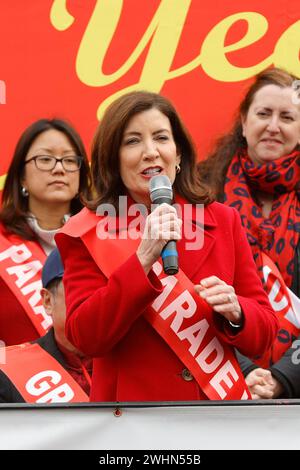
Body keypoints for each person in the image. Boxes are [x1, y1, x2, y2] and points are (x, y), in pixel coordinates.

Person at [56, 90, 278, 402]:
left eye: (161, 138)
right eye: (133, 141)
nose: (151, 152)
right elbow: (85, 338)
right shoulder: (88, 231)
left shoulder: (222, 220)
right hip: (131, 421)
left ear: (179, 154)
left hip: (211, 413)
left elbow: (266, 333)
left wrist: (238, 311)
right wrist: (142, 260)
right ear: (113, 158)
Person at [198, 67, 300, 398]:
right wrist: (246, 371)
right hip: (215, 381)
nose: (273, 126)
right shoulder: (199, 193)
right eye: (263, 113)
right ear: (244, 123)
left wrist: (282, 377)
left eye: (287, 116)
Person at [0, 119, 92, 346]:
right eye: (45, 159)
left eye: (70, 160)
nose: (59, 168)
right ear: (21, 177)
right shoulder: (2, 242)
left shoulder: (102, 236)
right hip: (21, 378)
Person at [0, 248, 92, 403]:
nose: (94, 299)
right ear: (48, 301)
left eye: (104, 288)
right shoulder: (7, 370)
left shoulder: (137, 362)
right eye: (79, 288)